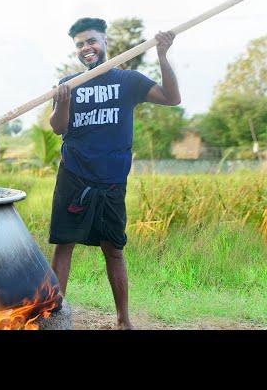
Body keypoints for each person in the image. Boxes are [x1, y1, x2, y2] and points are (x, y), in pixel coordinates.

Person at [49, 18, 180, 329]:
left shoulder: (128, 81)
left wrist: (162, 55)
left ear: (105, 41)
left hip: (110, 181)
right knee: (63, 245)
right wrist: (63, 101)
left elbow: (172, 98)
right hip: (73, 175)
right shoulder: (69, 84)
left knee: (114, 250)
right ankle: (54, 317)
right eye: (80, 44)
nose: (86, 48)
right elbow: (57, 128)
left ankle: (123, 319)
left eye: (91, 41)